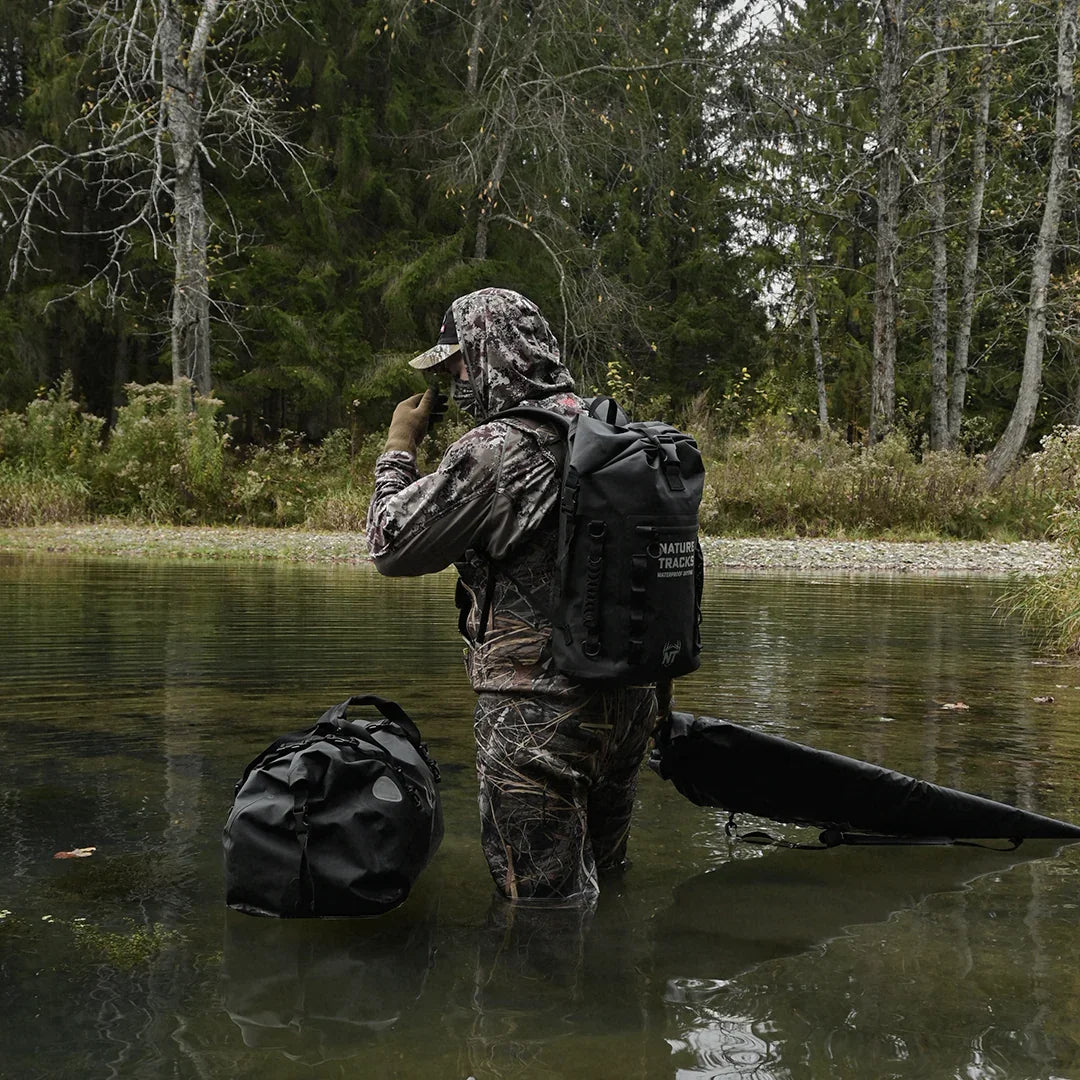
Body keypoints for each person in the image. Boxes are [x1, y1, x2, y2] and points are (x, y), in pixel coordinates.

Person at [366, 287, 657, 907]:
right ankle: (617, 993)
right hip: (628, 703)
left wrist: (398, 449)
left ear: (488, 355)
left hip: (536, 714)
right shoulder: (611, 427)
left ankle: (533, 1005)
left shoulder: (498, 449)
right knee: (608, 886)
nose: (453, 383)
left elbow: (391, 544)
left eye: (456, 366)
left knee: (540, 913)